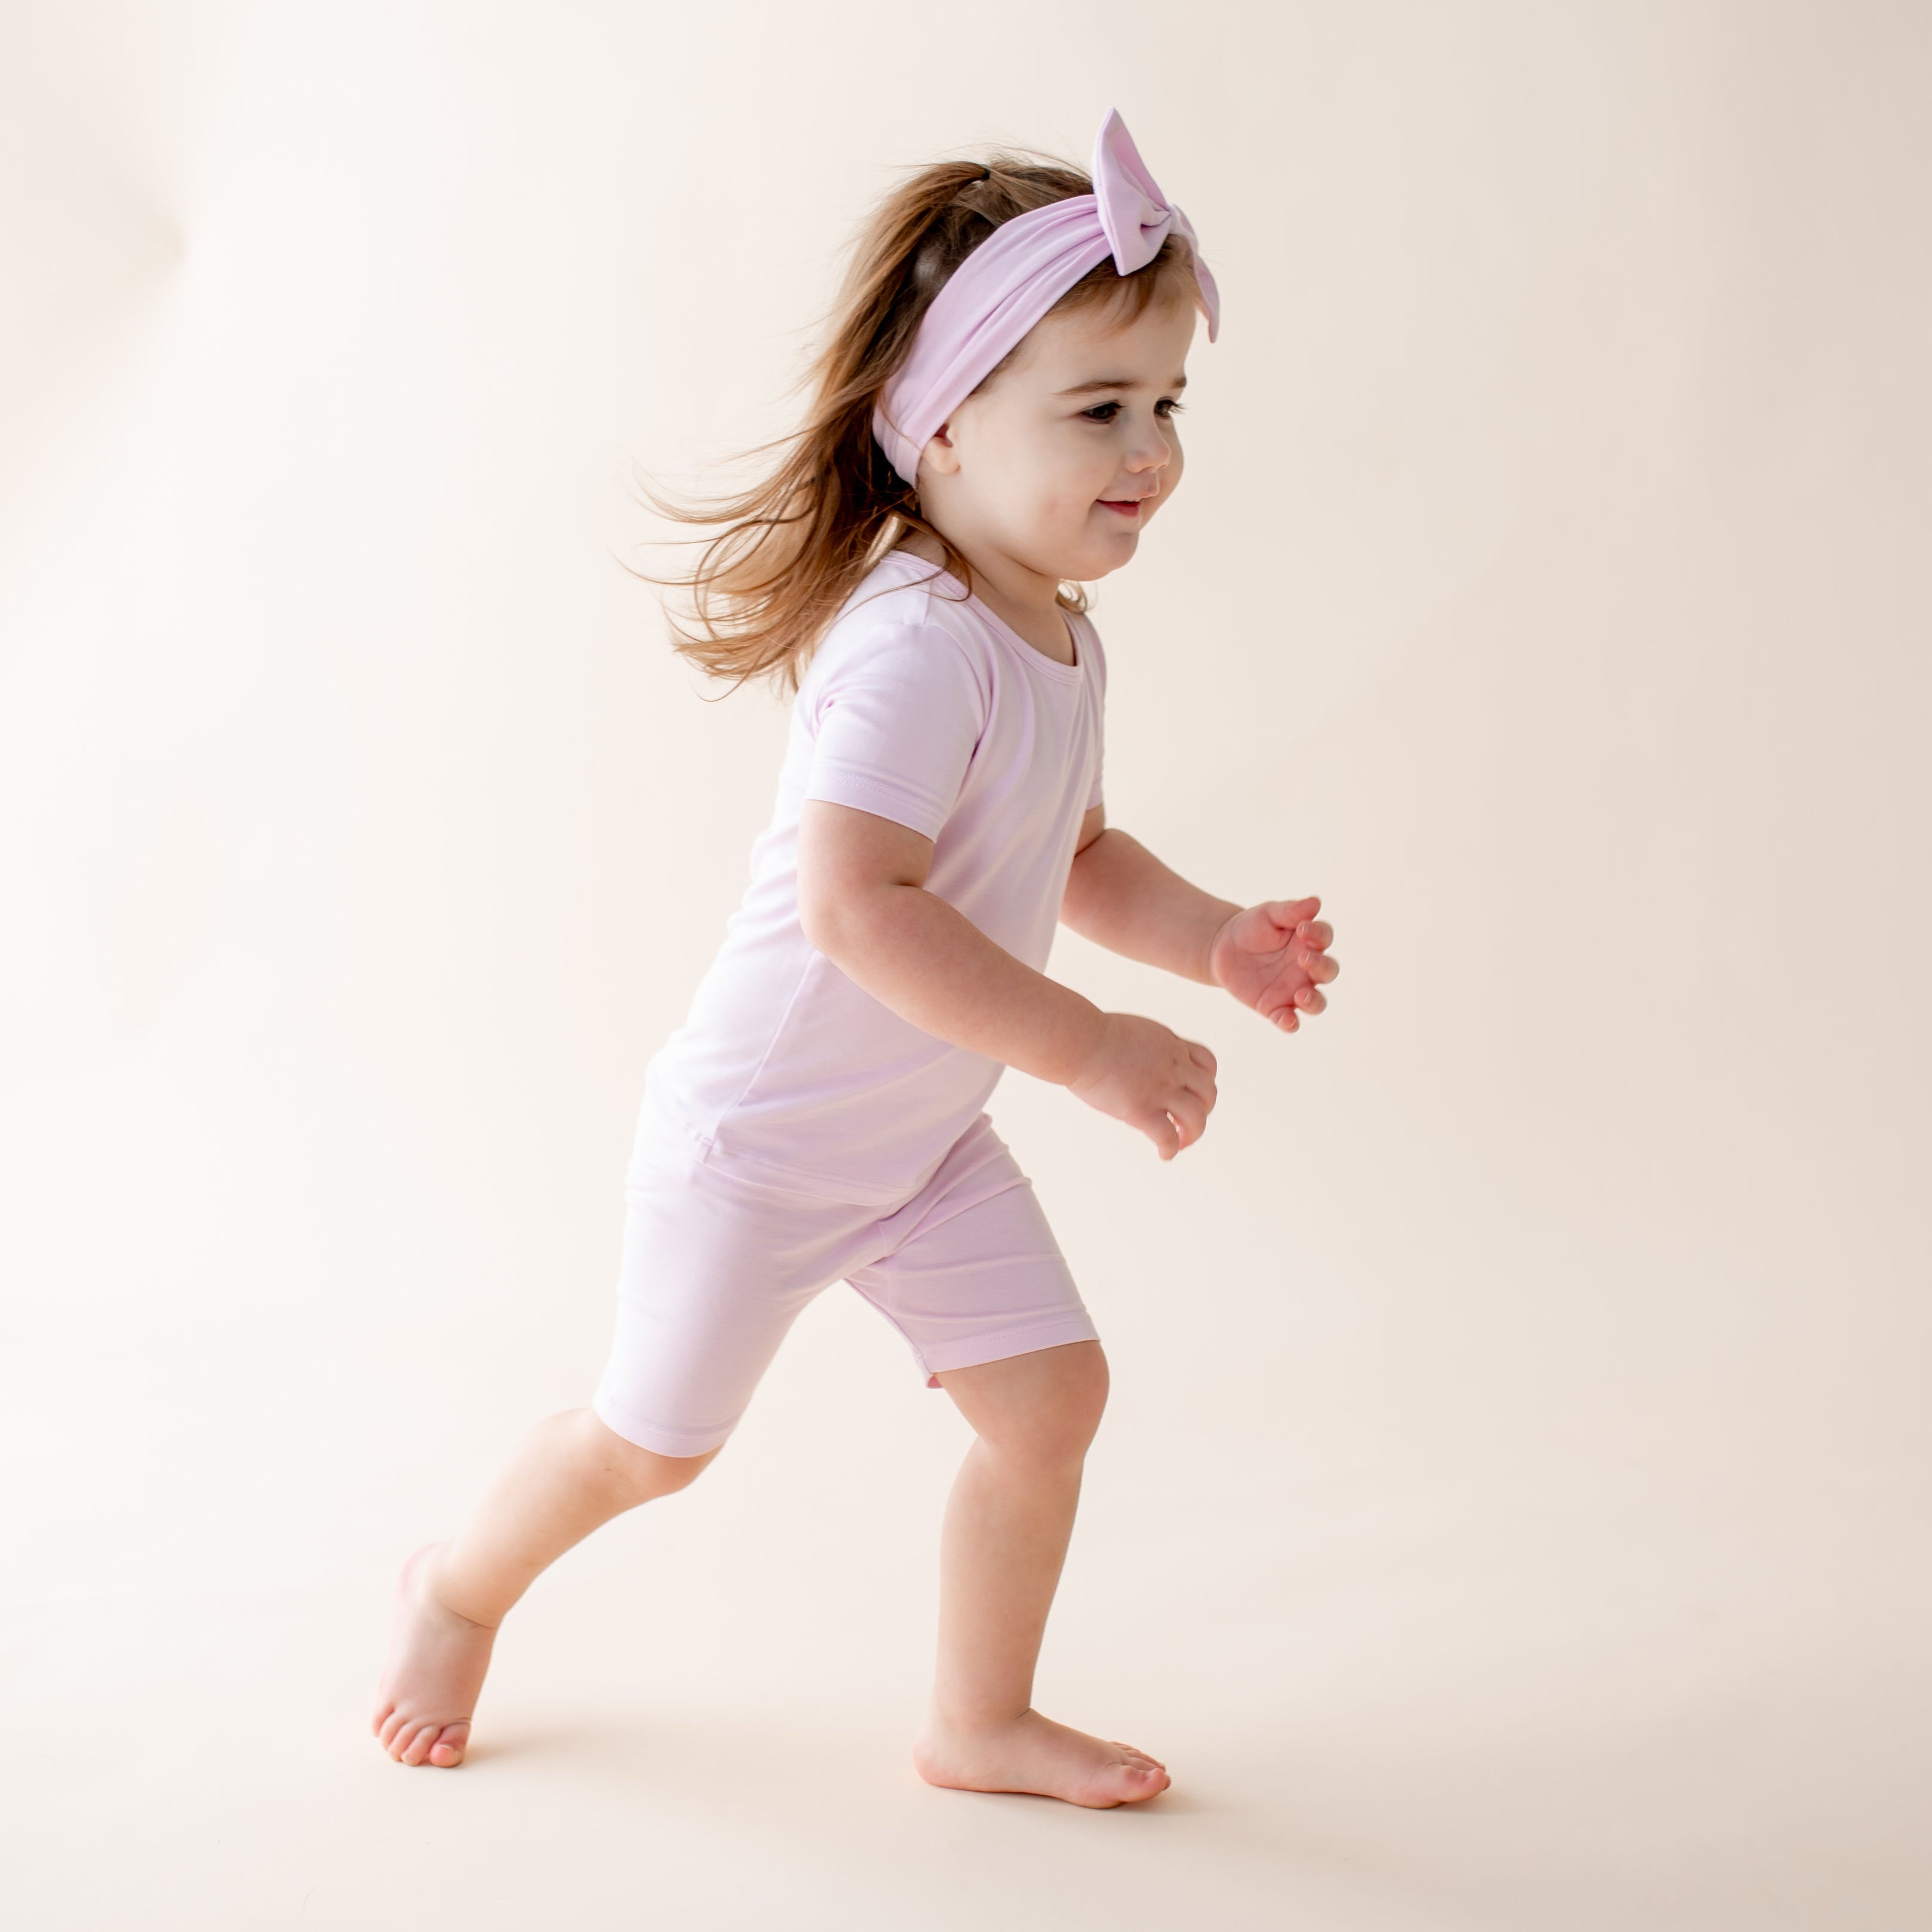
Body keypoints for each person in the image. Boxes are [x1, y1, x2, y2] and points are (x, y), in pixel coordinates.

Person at [373, 108, 1338, 1809]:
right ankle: (452, 1589)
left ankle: (978, 1723)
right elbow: (861, 909)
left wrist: (1210, 944)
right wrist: (1094, 1050)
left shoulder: (1059, 635)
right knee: (646, 1450)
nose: (1153, 447)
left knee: (1050, 1405)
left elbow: (1076, 855)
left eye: (1168, 402)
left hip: (913, 1147)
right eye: (1102, 408)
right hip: (759, 1146)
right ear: (945, 426)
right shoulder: (914, 647)